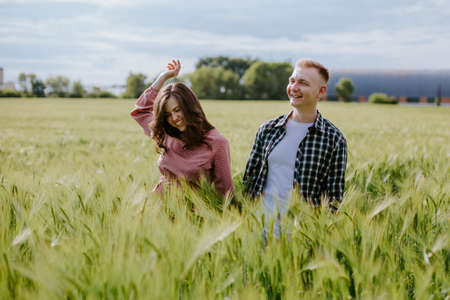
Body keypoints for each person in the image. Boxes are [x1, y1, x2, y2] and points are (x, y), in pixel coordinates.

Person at [243, 59, 347, 233]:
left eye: (303, 83)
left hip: (302, 236)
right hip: (258, 229)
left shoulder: (334, 139)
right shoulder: (267, 130)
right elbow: (250, 179)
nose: (294, 87)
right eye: (292, 81)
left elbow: (334, 198)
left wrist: (319, 236)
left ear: (321, 91)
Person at [131, 59, 234, 198]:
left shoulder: (217, 143)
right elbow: (141, 111)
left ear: (190, 107)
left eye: (177, 110)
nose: (174, 118)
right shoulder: (165, 133)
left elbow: (225, 191)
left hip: (192, 214)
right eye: (167, 114)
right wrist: (163, 77)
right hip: (154, 210)